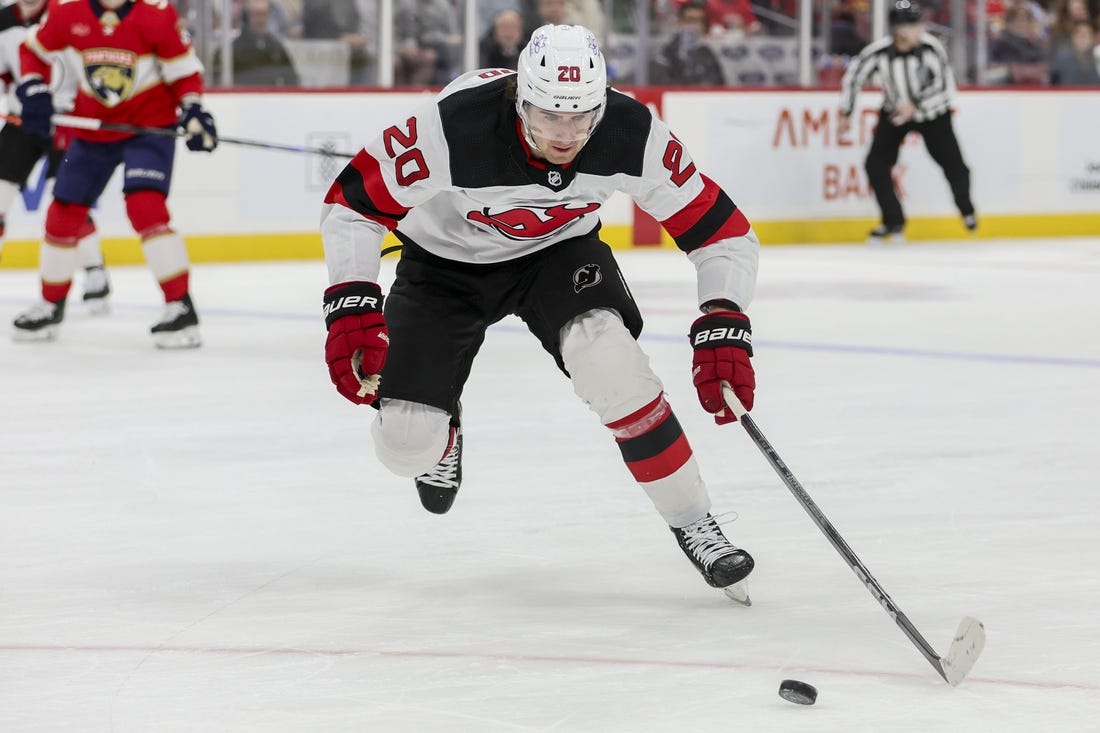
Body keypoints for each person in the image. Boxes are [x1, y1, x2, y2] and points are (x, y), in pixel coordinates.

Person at [319, 25, 761, 597]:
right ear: (519, 97)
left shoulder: (630, 132)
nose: (567, 134)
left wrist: (725, 317)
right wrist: (351, 305)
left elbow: (723, 233)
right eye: (550, 115)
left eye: (581, 117)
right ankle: (442, 428)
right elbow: (351, 208)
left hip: (558, 255)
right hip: (442, 266)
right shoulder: (454, 126)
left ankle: (696, 522)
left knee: (612, 365)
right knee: (405, 446)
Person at [13, 0, 217, 346]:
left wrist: (194, 110)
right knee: (63, 213)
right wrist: (33, 86)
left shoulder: (156, 12)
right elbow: (33, 50)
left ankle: (180, 308)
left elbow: (184, 73)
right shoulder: (68, 10)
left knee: (145, 206)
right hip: (92, 131)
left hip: (149, 127)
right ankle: (51, 305)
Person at [0, 0, 110, 310]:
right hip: (24, 121)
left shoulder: (67, 14)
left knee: (66, 199)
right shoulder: (3, 20)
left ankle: (94, 271)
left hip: (67, 121)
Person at [838, 0, 977, 243]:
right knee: (875, 164)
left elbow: (946, 87)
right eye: (914, 26)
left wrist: (916, 104)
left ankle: (966, 209)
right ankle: (893, 221)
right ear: (899, 29)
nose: (920, 30)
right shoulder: (880, 52)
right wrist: (846, 111)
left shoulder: (931, 48)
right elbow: (854, 76)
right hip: (895, 114)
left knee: (955, 166)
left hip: (932, 116)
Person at [214, 0, 300, 86]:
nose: (261, 20)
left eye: (264, 14)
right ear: (247, 17)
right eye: (257, 14)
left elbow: (292, 79)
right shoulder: (232, 51)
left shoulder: (276, 48)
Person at [651, 0, 727, 85]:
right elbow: (661, 83)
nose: (696, 25)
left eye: (700, 20)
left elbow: (718, 84)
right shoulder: (666, 52)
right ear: (679, 23)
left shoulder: (707, 53)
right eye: (691, 20)